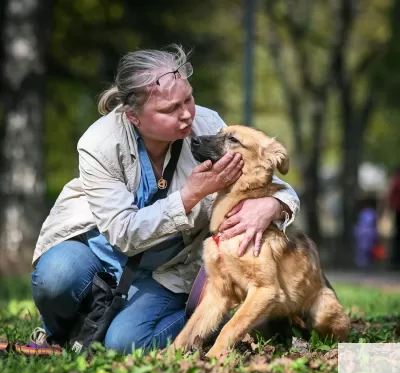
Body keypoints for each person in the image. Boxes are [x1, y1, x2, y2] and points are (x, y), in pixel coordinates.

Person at [30, 44, 300, 354]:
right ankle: (61, 334)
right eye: (170, 109)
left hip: (169, 272)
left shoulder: (208, 125)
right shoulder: (99, 143)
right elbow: (124, 234)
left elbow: (269, 177)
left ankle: (216, 318)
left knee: (123, 345)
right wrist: (190, 196)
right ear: (134, 116)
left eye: (189, 99)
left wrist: (273, 205)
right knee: (57, 275)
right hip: (101, 252)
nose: (186, 114)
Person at [388, 167, 400, 267]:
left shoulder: (396, 180)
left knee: (397, 236)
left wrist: (391, 207)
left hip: (398, 210)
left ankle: (395, 260)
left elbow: (391, 196)